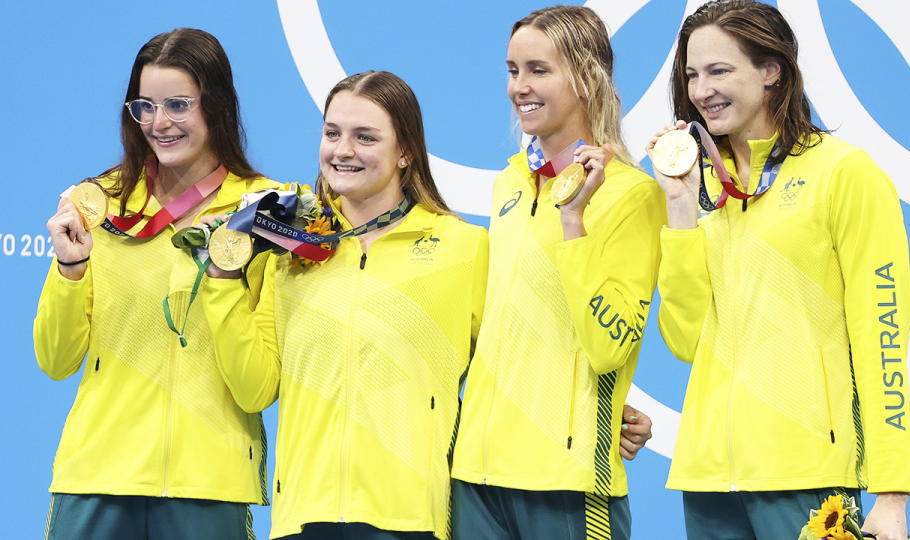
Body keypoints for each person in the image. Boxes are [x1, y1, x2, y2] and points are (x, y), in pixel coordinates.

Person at [647, 2, 910, 539]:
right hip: (707, 481)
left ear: (772, 71)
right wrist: (679, 207)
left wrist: (891, 492)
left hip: (808, 477)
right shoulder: (702, 190)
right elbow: (682, 339)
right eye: (692, 75)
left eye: (720, 71)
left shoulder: (844, 174)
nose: (701, 91)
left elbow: (881, 337)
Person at [199, 71, 488, 540]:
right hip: (303, 519)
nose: (342, 150)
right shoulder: (289, 252)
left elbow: (506, 369)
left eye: (365, 137)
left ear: (405, 152)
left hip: (411, 522)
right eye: (332, 133)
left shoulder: (464, 248)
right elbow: (255, 389)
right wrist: (224, 279)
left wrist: (606, 410)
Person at [34, 29, 279, 539]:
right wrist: (70, 270)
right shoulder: (96, 203)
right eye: (144, 106)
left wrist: (225, 277)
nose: (158, 123)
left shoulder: (261, 212)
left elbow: (258, 388)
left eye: (178, 104)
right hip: (96, 478)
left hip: (210, 485)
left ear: (217, 105)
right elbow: (56, 361)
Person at [450, 6, 666, 539]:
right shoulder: (510, 185)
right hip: (475, 474)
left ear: (588, 78)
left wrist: (574, 220)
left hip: (566, 481)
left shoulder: (631, 195)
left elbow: (610, 345)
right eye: (512, 69)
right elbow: (507, 329)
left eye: (539, 70)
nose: (519, 86)